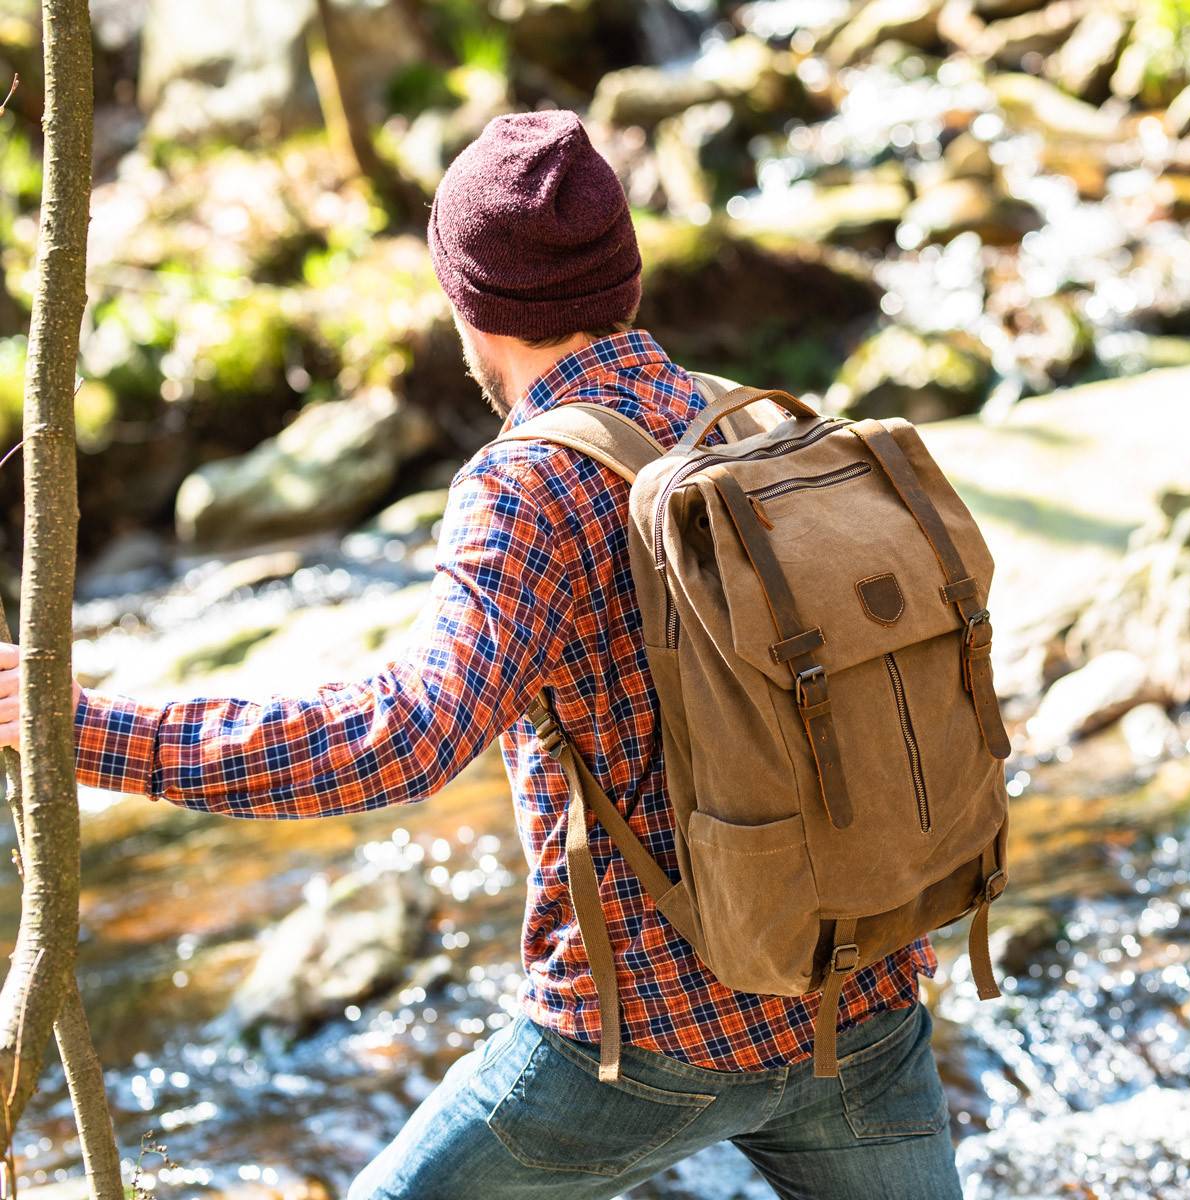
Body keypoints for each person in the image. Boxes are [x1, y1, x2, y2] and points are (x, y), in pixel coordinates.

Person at [0, 109, 963, 1199]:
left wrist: (90, 732)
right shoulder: (750, 425)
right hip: (861, 994)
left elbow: (397, 744)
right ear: (624, 277)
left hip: (639, 1047)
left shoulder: (526, 489)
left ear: (470, 304)